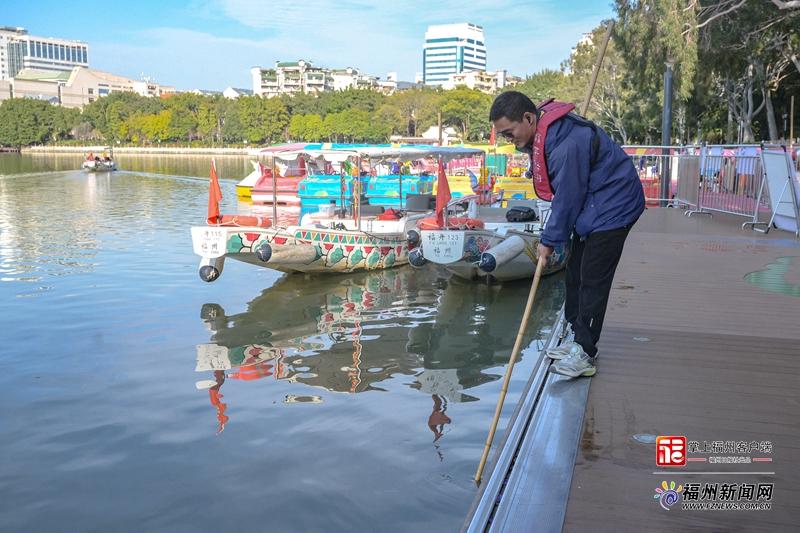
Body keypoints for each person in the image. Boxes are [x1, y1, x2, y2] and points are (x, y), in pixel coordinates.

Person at [489, 91, 645, 378]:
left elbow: (567, 198)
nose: (510, 142)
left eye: (510, 133)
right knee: (575, 273)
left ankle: (585, 351)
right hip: (593, 205)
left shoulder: (566, 146)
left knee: (593, 279)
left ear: (528, 117)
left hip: (614, 206)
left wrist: (548, 242)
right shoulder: (548, 134)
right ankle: (575, 336)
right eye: (504, 136)